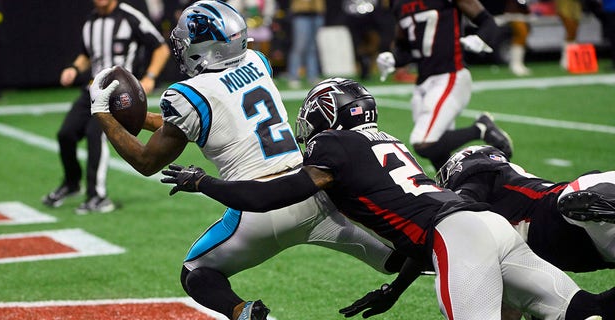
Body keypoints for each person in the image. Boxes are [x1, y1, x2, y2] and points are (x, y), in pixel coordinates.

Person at [161, 77, 615, 319]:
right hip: (487, 225)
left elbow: (275, 195)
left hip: (458, 238)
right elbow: (421, 226)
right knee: (581, 311)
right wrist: (392, 291)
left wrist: (205, 183)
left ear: (326, 115)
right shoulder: (387, 141)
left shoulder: (333, 147)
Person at [89, 2, 403, 319]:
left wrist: (102, 114)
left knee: (196, 273)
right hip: (312, 194)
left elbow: (146, 161)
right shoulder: (258, 62)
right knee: (399, 259)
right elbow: (206, 121)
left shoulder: (186, 94)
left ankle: (243, 312)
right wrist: (142, 119)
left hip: (258, 212)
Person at [41, 0, 170, 214]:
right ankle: (72, 184)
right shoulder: (91, 20)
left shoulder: (130, 16)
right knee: (66, 134)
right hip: (92, 88)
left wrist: (150, 77)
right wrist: (74, 68)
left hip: (117, 95)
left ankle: (98, 196)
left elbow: (161, 48)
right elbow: (86, 55)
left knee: (95, 135)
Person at [376, 0, 514, 171]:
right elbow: (405, 46)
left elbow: (488, 21)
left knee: (424, 143)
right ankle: (452, 192)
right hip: (423, 82)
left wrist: (481, 38)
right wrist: (393, 58)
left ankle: (481, 129)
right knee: (437, 150)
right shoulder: (398, 3)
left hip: (450, 75)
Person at [436, 145, 615, 272]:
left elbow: (457, 209)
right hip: (572, 244)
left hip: (560, 216)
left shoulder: (479, 176)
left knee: (575, 197)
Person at [286, 0, 325, 89]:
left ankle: (312, 76)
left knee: (312, 47)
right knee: (299, 47)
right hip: (301, 13)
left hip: (317, 13)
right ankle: (293, 76)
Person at [556, 0, 583, 70]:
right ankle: (566, 60)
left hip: (575, 4)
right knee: (570, 32)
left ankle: (571, 59)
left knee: (574, 32)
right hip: (565, 4)